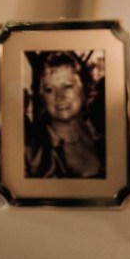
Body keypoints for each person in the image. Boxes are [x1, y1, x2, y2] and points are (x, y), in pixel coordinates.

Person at [25, 51, 105, 179]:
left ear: (84, 89)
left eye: (67, 86)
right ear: (41, 97)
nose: (60, 97)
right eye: (49, 89)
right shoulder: (31, 153)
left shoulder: (104, 137)